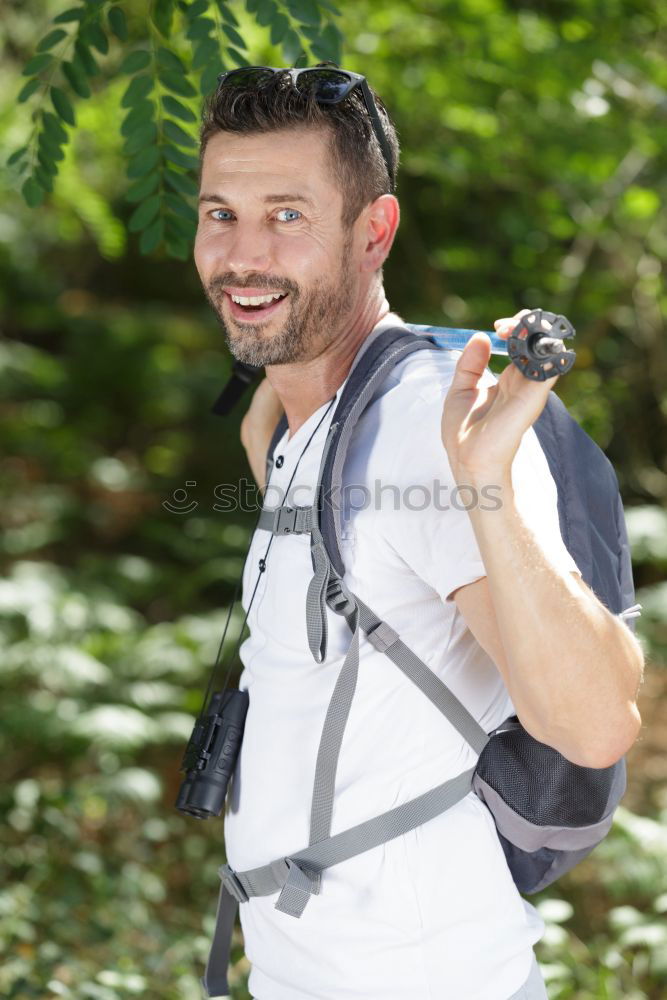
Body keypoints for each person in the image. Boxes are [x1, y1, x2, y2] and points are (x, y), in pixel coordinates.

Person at [193, 65, 644, 1000]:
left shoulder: (420, 429)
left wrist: (484, 481)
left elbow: (598, 723)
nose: (242, 255)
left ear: (374, 232)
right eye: (219, 213)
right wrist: (271, 429)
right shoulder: (300, 421)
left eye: (286, 215)